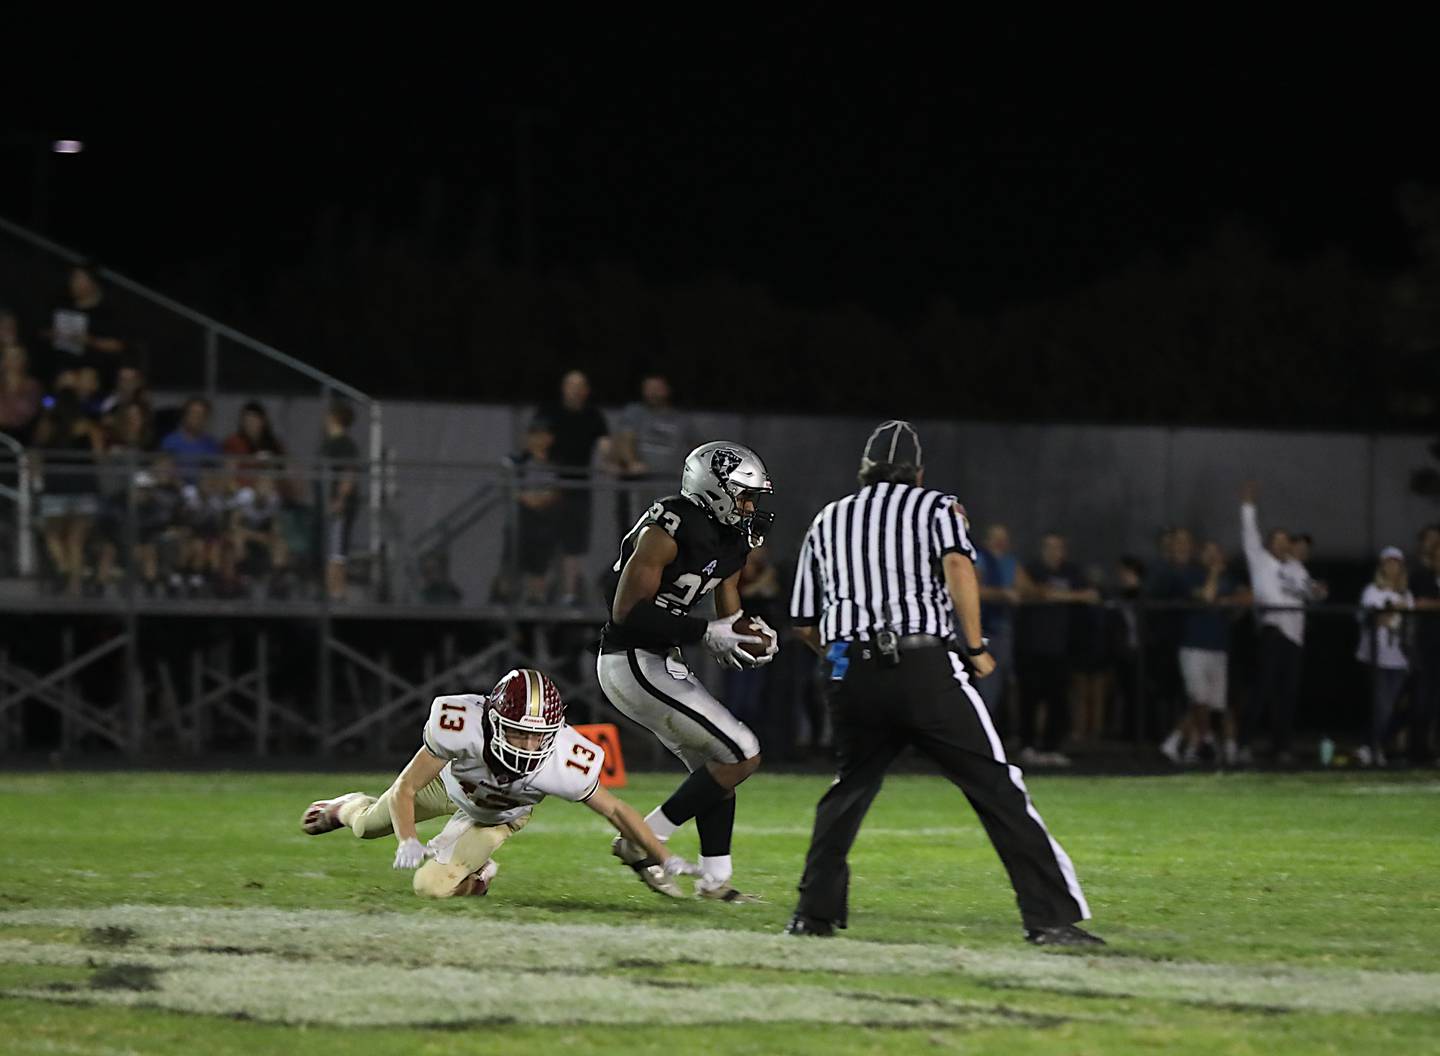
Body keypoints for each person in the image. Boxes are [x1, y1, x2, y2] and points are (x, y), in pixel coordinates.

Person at [785, 420, 1098, 947]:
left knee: (849, 791)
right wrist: (975, 648)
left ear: (864, 471)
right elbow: (958, 565)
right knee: (997, 788)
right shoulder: (935, 506)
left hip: (849, 671)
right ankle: (1048, 919)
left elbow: (803, 621)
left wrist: (843, 660)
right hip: (922, 666)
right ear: (918, 473)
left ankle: (812, 915)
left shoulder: (828, 518)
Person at [300, 668, 699, 899]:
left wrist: (663, 856)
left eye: (536, 736)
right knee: (366, 827)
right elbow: (407, 787)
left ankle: (479, 872)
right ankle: (344, 806)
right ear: (491, 719)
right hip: (449, 785)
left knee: (431, 888)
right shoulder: (460, 724)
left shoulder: (567, 758)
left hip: (498, 815)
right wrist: (407, 838)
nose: (527, 745)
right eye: (517, 733)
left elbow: (615, 810)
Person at [595, 441, 777, 903]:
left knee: (716, 767)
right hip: (631, 658)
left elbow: (728, 608)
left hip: (659, 659)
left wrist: (747, 635)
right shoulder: (672, 523)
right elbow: (626, 612)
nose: (751, 506)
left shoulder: (734, 539)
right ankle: (642, 839)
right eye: (743, 494)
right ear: (713, 488)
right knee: (743, 753)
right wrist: (707, 632)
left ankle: (715, 882)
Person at [1239, 482, 1323, 764]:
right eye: (1276, 539)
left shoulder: (1295, 568)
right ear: (1269, 543)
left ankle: (1282, 746)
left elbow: (1312, 592)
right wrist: (1248, 506)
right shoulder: (1260, 560)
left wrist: (1319, 591)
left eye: (1285, 540)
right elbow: (1249, 534)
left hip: (1295, 636)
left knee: (1288, 694)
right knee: (1262, 689)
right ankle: (1242, 743)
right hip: (1273, 629)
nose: (1281, 543)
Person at [1016, 533, 1098, 766]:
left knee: (1058, 699)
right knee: (1029, 697)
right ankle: (1027, 746)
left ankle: (1051, 747)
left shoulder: (1072, 571)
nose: (1054, 552)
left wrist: (1058, 596)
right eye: (1050, 547)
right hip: (1031, 645)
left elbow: (1091, 595)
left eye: (1058, 547)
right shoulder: (1032, 568)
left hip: (1060, 647)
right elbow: (1031, 591)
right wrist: (1067, 596)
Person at [1161, 541, 1243, 766]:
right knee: (1199, 698)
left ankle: (1181, 741)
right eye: (1208, 552)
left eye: (1216, 552)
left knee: (1214, 703)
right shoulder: (1191, 576)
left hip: (1219, 647)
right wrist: (1214, 576)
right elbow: (1206, 597)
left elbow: (1247, 598)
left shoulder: (1231, 578)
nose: (1213, 556)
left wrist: (1227, 601)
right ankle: (1203, 741)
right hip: (1194, 646)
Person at [534, 370, 611, 606]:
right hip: (551, 485)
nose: (575, 390)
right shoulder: (549, 412)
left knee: (573, 544)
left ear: (586, 390)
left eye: (580, 386)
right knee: (543, 541)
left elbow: (604, 444)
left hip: (579, 487)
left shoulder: (593, 415)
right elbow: (536, 443)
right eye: (570, 385)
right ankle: (539, 594)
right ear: (563, 388)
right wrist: (544, 470)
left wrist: (607, 462)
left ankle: (569, 593)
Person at [32, 387, 105, 594]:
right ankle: (75, 587)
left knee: (52, 535)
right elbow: (99, 457)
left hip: (55, 486)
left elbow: (37, 448)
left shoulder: (48, 425)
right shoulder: (87, 427)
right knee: (76, 541)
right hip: (84, 487)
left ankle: (62, 567)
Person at [1354, 547, 1413, 768]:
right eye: (1388, 563)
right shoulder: (1372, 591)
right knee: (1381, 705)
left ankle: (1373, 746)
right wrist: (1390, 612)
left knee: (1391, 708)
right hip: (1376, 657)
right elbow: (1365, 619)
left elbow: (1410, 627)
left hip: (1399, 658)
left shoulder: (1407, 594)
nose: (1392, 567)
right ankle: (1372, 747)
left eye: (1396, 563)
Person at [614, 373, 693, 535]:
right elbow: (625, 439)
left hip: (670, 486)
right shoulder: (635, 412)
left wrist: (688, 469)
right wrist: (631, 463)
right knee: (638, 530)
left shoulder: (680, 419)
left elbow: (695, 446)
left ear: (666, 391)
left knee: (669, 532)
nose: (653, 393)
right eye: (649, 389)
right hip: (641, 485)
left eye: (657, 389)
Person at [504, 418, 563, 604]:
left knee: (539, 568)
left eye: (542, 435)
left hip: (544, 525)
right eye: (534, 436)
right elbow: (510, 488)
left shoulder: (555, 464)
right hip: (520, 522)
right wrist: (526, 498)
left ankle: (535, 601)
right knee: (512, 565)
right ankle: (506, 601)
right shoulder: (518, 462)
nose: (538, 440)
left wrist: (541, 499)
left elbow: (556, 491)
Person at [974, 523, 1025, 732]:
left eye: (1003, 537)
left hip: (1003, 631)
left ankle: (992, 730)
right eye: (996, 537)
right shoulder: (979, 558)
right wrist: (1003, 594)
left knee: (1001, 685)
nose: (1000, 542)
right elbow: (973, 590)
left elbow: (1026, 589)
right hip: (982, 631)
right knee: (986, 686)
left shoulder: (1010, 562)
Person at [42, 263, 127, 388]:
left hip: (93, 369)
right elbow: (40, 331)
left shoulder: (107, 312)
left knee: (83, 380)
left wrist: (90, 341)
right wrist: (53, 334)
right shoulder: (61, 303)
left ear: (93, 282)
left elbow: (118, 346)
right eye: (73, 278)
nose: (74, 283)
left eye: (79, 278)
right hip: (61, 364)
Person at [316, 401, 360, 602]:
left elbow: (349, 473)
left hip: (338, 506)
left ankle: (336, 592)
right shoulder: (329, 443)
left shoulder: (344, 444)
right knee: (330, 549)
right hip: (327, 504)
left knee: (337, 549)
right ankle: (331, 590)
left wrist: (340, 499)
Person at [1408, 525, 1440, 765]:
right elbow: (1418, 603)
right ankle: (1418, 749)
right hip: (1426, 646)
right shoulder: (1422, 576)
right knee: (1423, 698)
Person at [222, 400, 285, 488]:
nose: (250, 423)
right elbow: (229, 467)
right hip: (240, 487)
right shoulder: (233, 441)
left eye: (254, 419)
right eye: (247, 420)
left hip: (267, 488)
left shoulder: (273, 443)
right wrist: (254, 461)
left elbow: (281, 468)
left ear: (263, 421)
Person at [159, 396, 221, 484]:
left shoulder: (212, 445)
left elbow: (215, 473)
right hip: (176, 489)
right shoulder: (170, 441)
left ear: (206, 418)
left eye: (201, 414)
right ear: (185, 416)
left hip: (203, 493)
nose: (196, 418)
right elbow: (163, 470)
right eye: (193, 413)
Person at [0, 342, 42, 444]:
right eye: (7, 357)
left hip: (24, 437)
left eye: (16, 357)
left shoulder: (33, 386)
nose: (11, 361)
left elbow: (28, 415)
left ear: (24, 361)